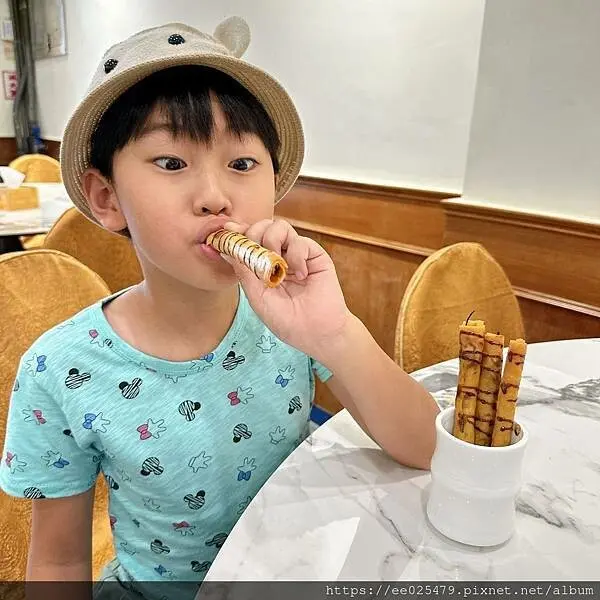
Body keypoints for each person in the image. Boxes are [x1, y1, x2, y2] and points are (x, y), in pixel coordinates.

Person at [0, 17, 439, 600]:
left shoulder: (290, 318)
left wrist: (334, 333)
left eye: (242, 164)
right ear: (108, 198)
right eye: (171, 163)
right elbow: (58, 564)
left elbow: (426, 447)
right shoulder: (60, 369)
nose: (215, 197)